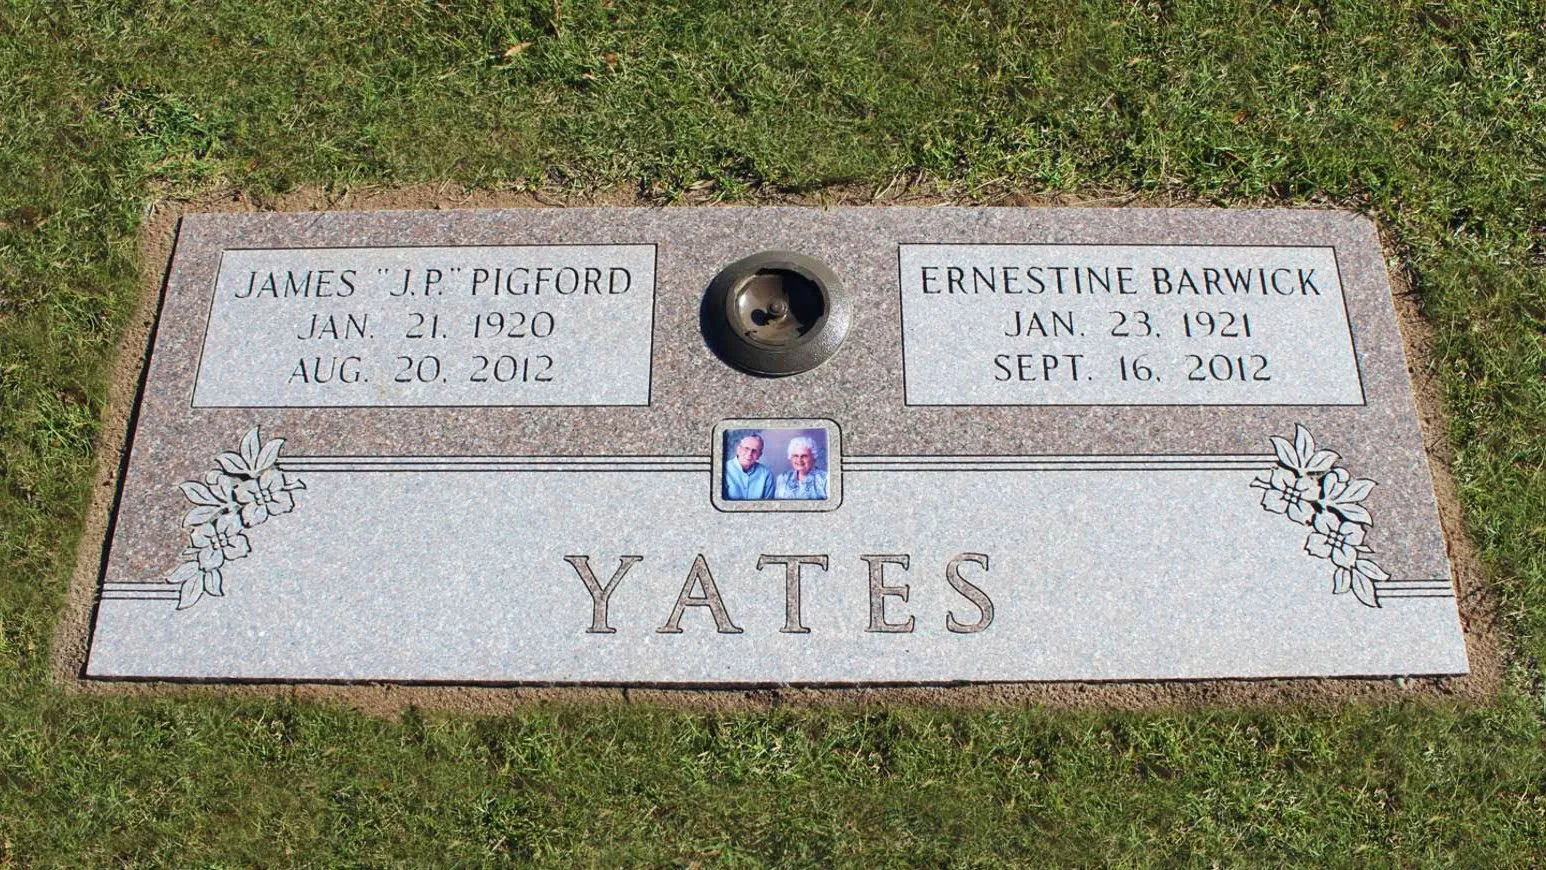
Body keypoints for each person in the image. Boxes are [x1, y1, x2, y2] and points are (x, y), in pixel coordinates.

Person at [723, 432, 776, 500]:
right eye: (746, 448)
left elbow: (768, 506)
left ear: (759, 455)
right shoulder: (724, 470)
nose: (749, 454)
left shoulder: (766, 474)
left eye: (754, 451)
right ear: (738, 450)